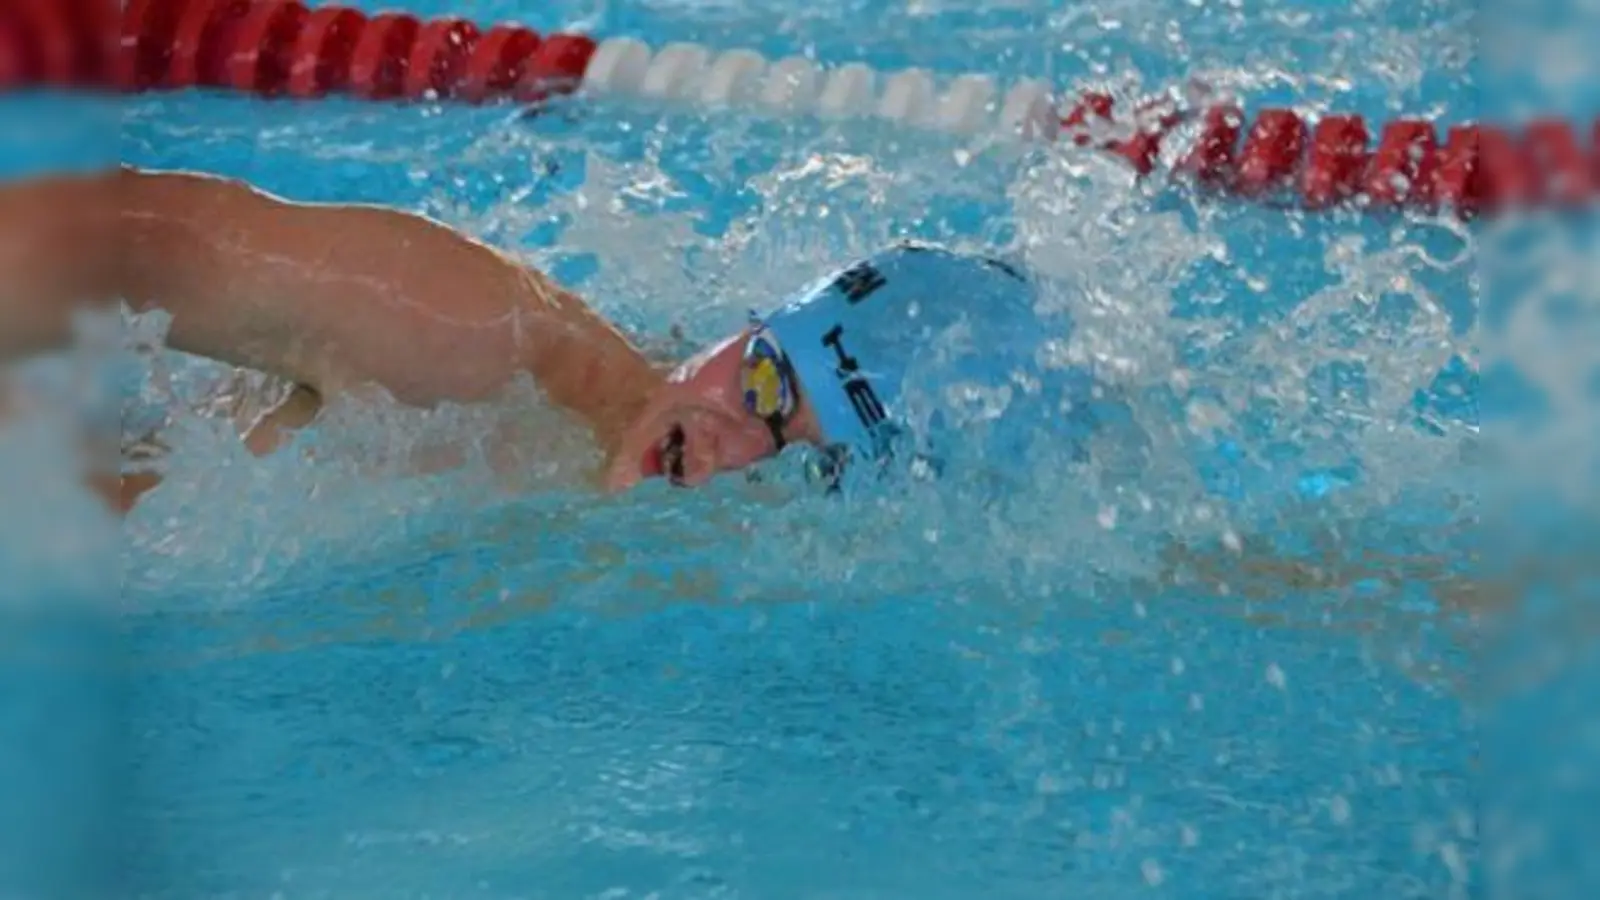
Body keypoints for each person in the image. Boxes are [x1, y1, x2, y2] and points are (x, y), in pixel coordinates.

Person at [0, 165, 1097, 512]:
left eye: (819, 462)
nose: (726, 444)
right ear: (747, 329)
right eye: (761, 378)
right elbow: (126, 240)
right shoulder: (472, 337)